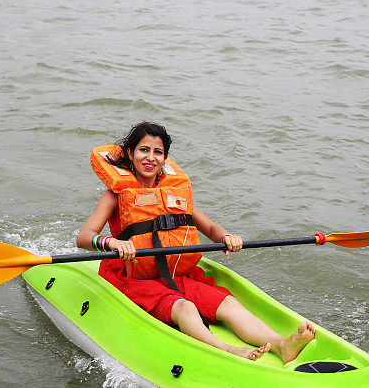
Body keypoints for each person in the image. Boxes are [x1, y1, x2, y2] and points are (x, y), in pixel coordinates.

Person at [77, 121, 315, 362]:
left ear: (165, 158)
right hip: (136, 278)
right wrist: (111, 243)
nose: (150, 158)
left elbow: (210, 228)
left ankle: (282, 345)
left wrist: (226, 237)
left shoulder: (174, 193)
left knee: (228, 304)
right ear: (130, 153)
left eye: (158, 152)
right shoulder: (115, 196)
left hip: (178, 275)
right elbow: (84, 238)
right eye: (143, 150)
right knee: (184, 308)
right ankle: (228, 350)